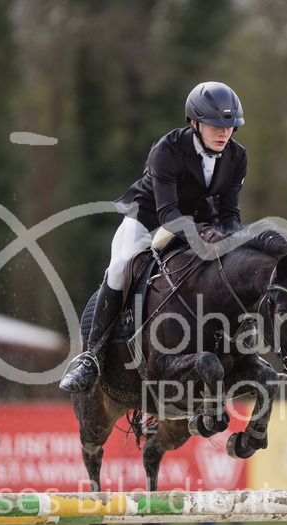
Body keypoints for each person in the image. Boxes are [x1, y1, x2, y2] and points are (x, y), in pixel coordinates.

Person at [60, 81, 248, 393]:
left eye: (230, 126)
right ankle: (91, 358)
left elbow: (229, 212)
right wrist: (204, 233)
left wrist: (231, 241)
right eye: (216, 125)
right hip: (149, 218)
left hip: (203, 221)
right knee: (120, 267)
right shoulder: (168, 150)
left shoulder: (237, 157)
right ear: (194, 123)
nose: (224, 133)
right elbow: (168, 215)